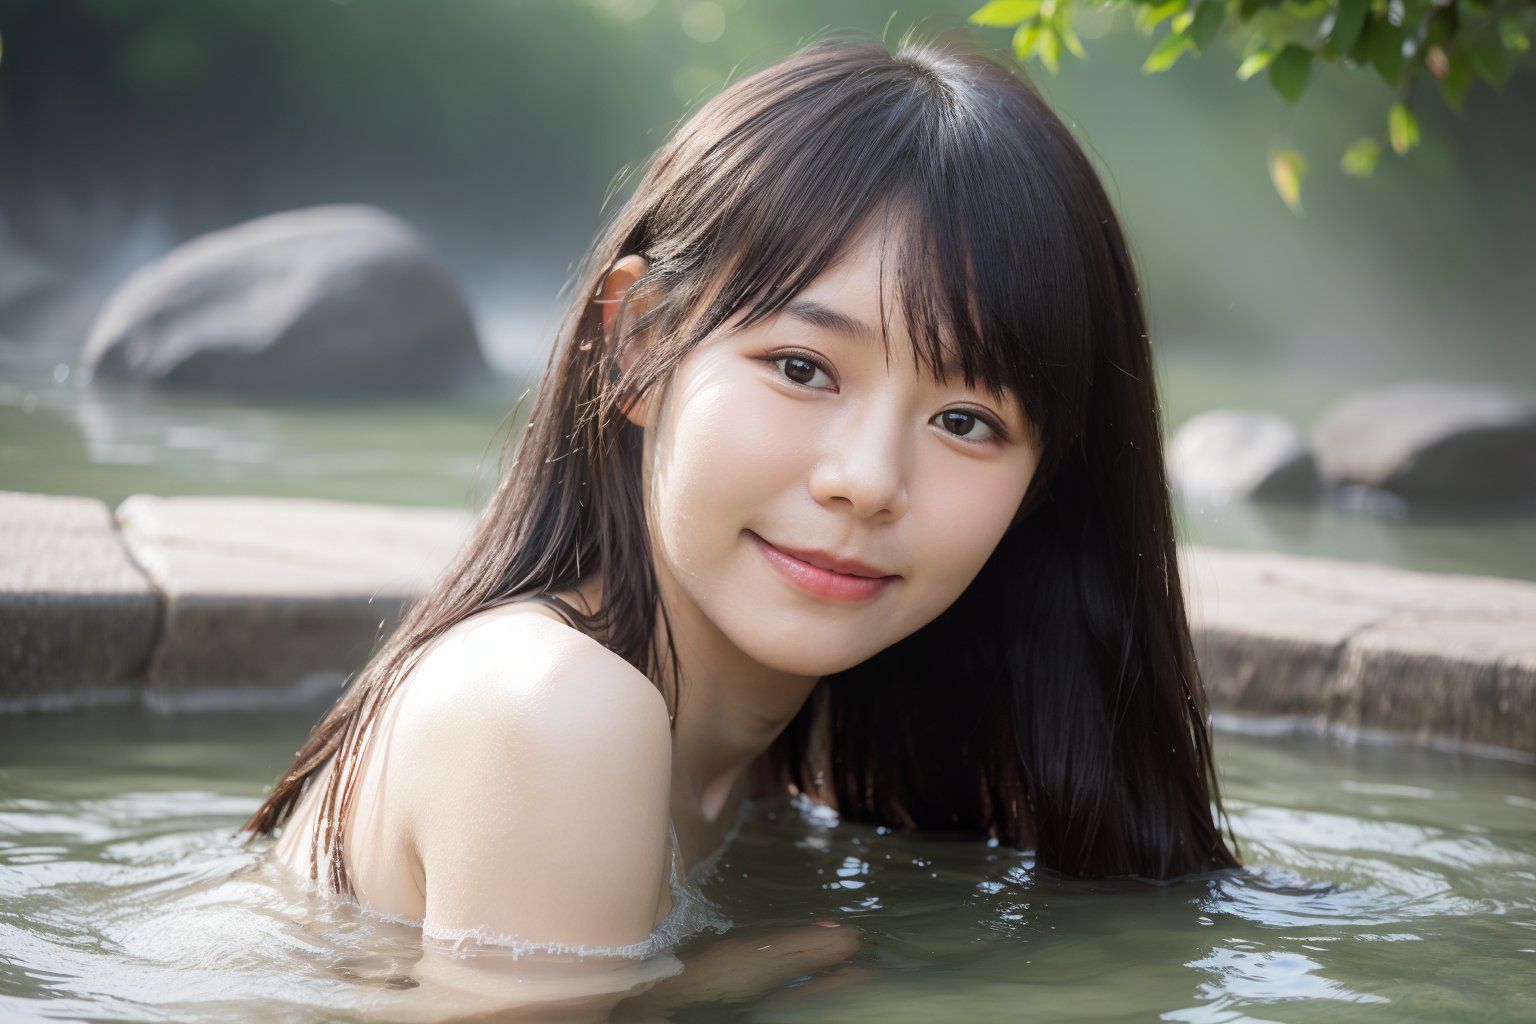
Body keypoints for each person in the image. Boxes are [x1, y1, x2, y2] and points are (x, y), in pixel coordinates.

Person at [242, 34, 1239, 1016]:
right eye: (803, 367)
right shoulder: (556, 711)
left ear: (1043, 486)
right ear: (636, 346)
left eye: (965, 422)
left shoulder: (758, 761)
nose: (866, 481)